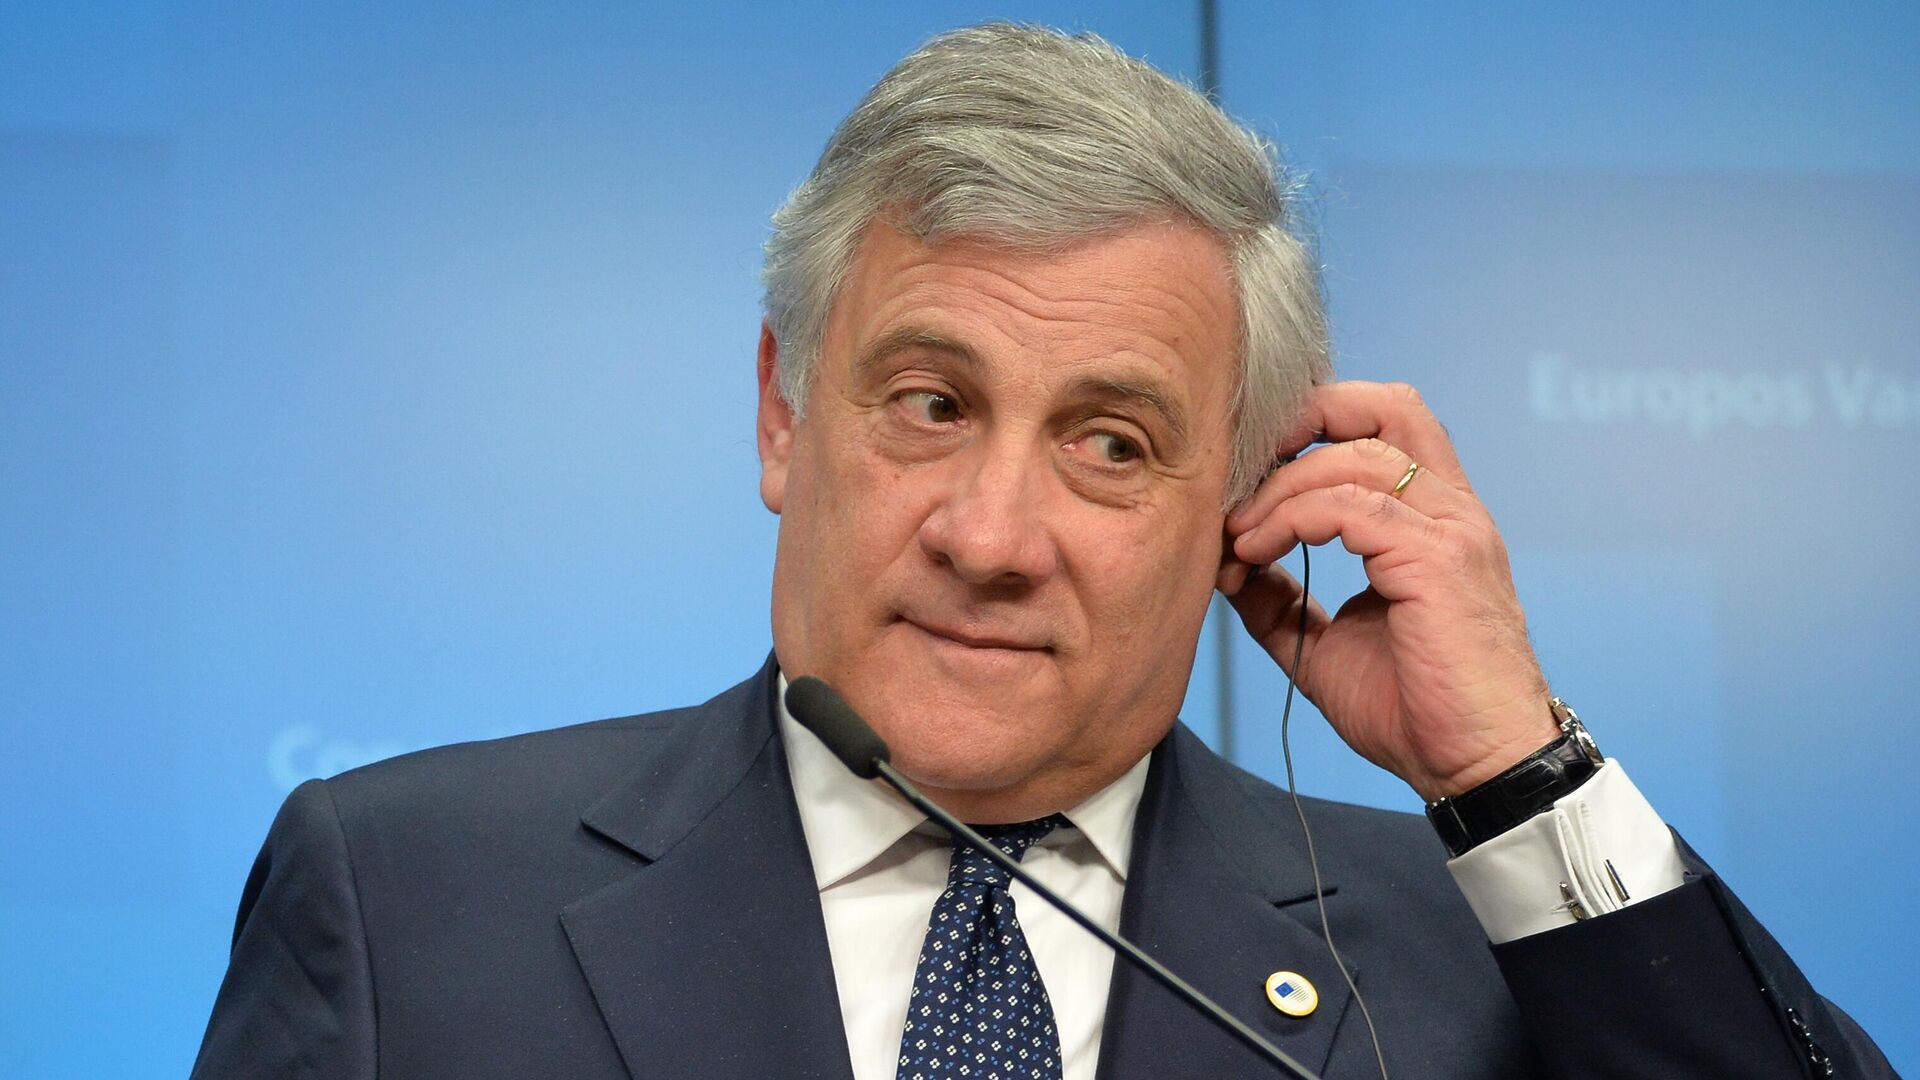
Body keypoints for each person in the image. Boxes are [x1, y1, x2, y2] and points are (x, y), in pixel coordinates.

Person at [192, 23, 1894, 1080]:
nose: (994, 538)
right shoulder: (406, 899)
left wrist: (1514, 775)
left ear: (1247, 500)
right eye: (930, 404)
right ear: (785, 415)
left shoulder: (1479, 961)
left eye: (1113, 443)